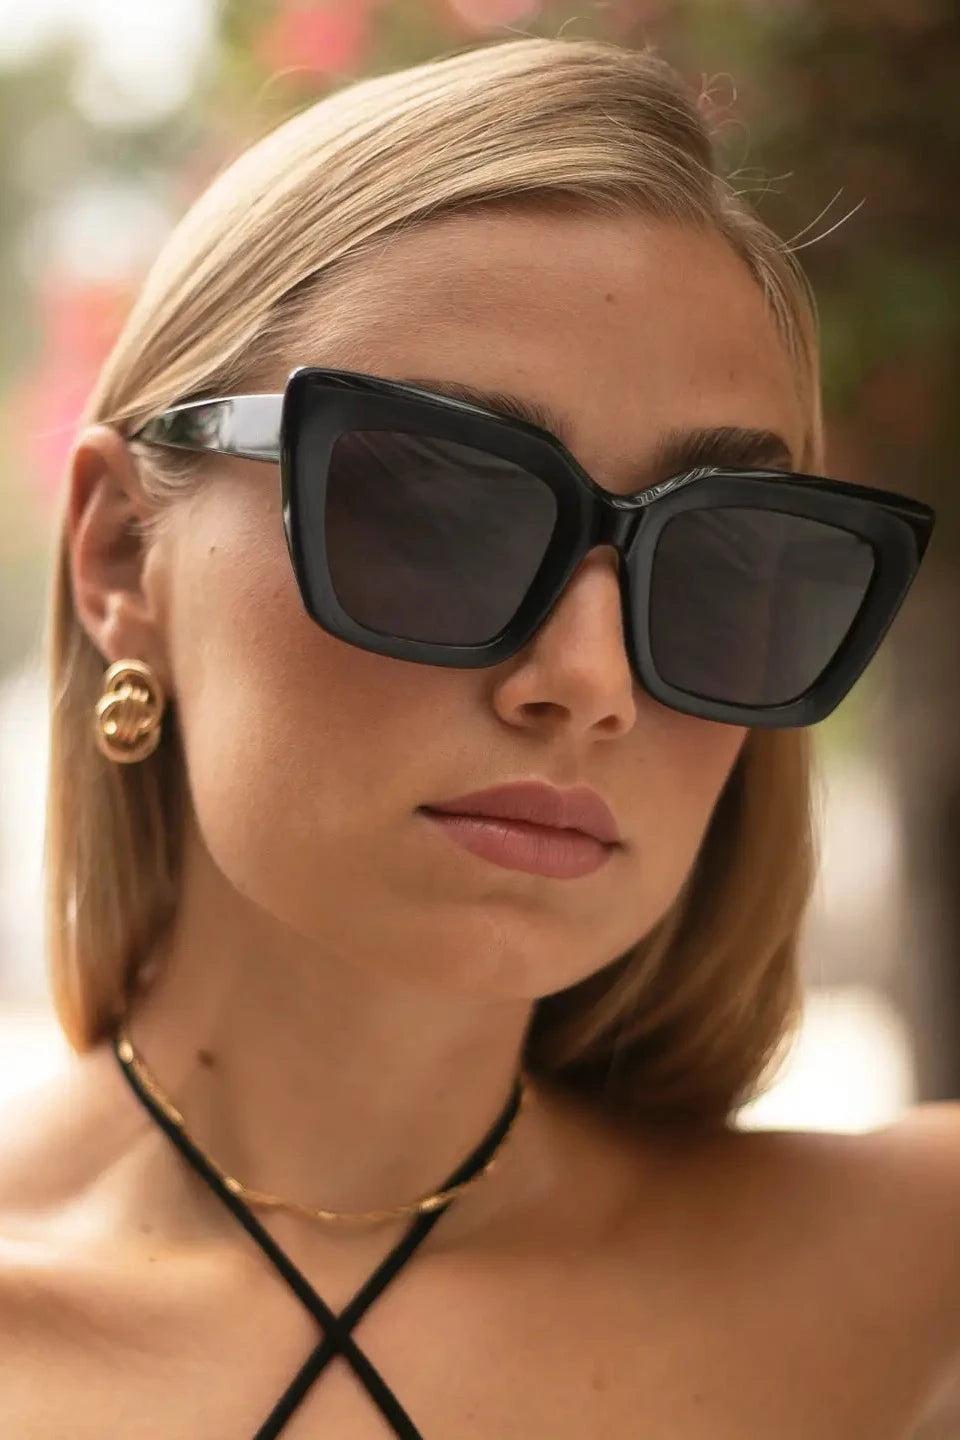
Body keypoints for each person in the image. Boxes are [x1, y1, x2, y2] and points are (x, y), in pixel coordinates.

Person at [0, 32, 955, 1439]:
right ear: (121, 558)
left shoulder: (918, 1287)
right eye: (436, 509)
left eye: (717, 562)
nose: (588, 679)